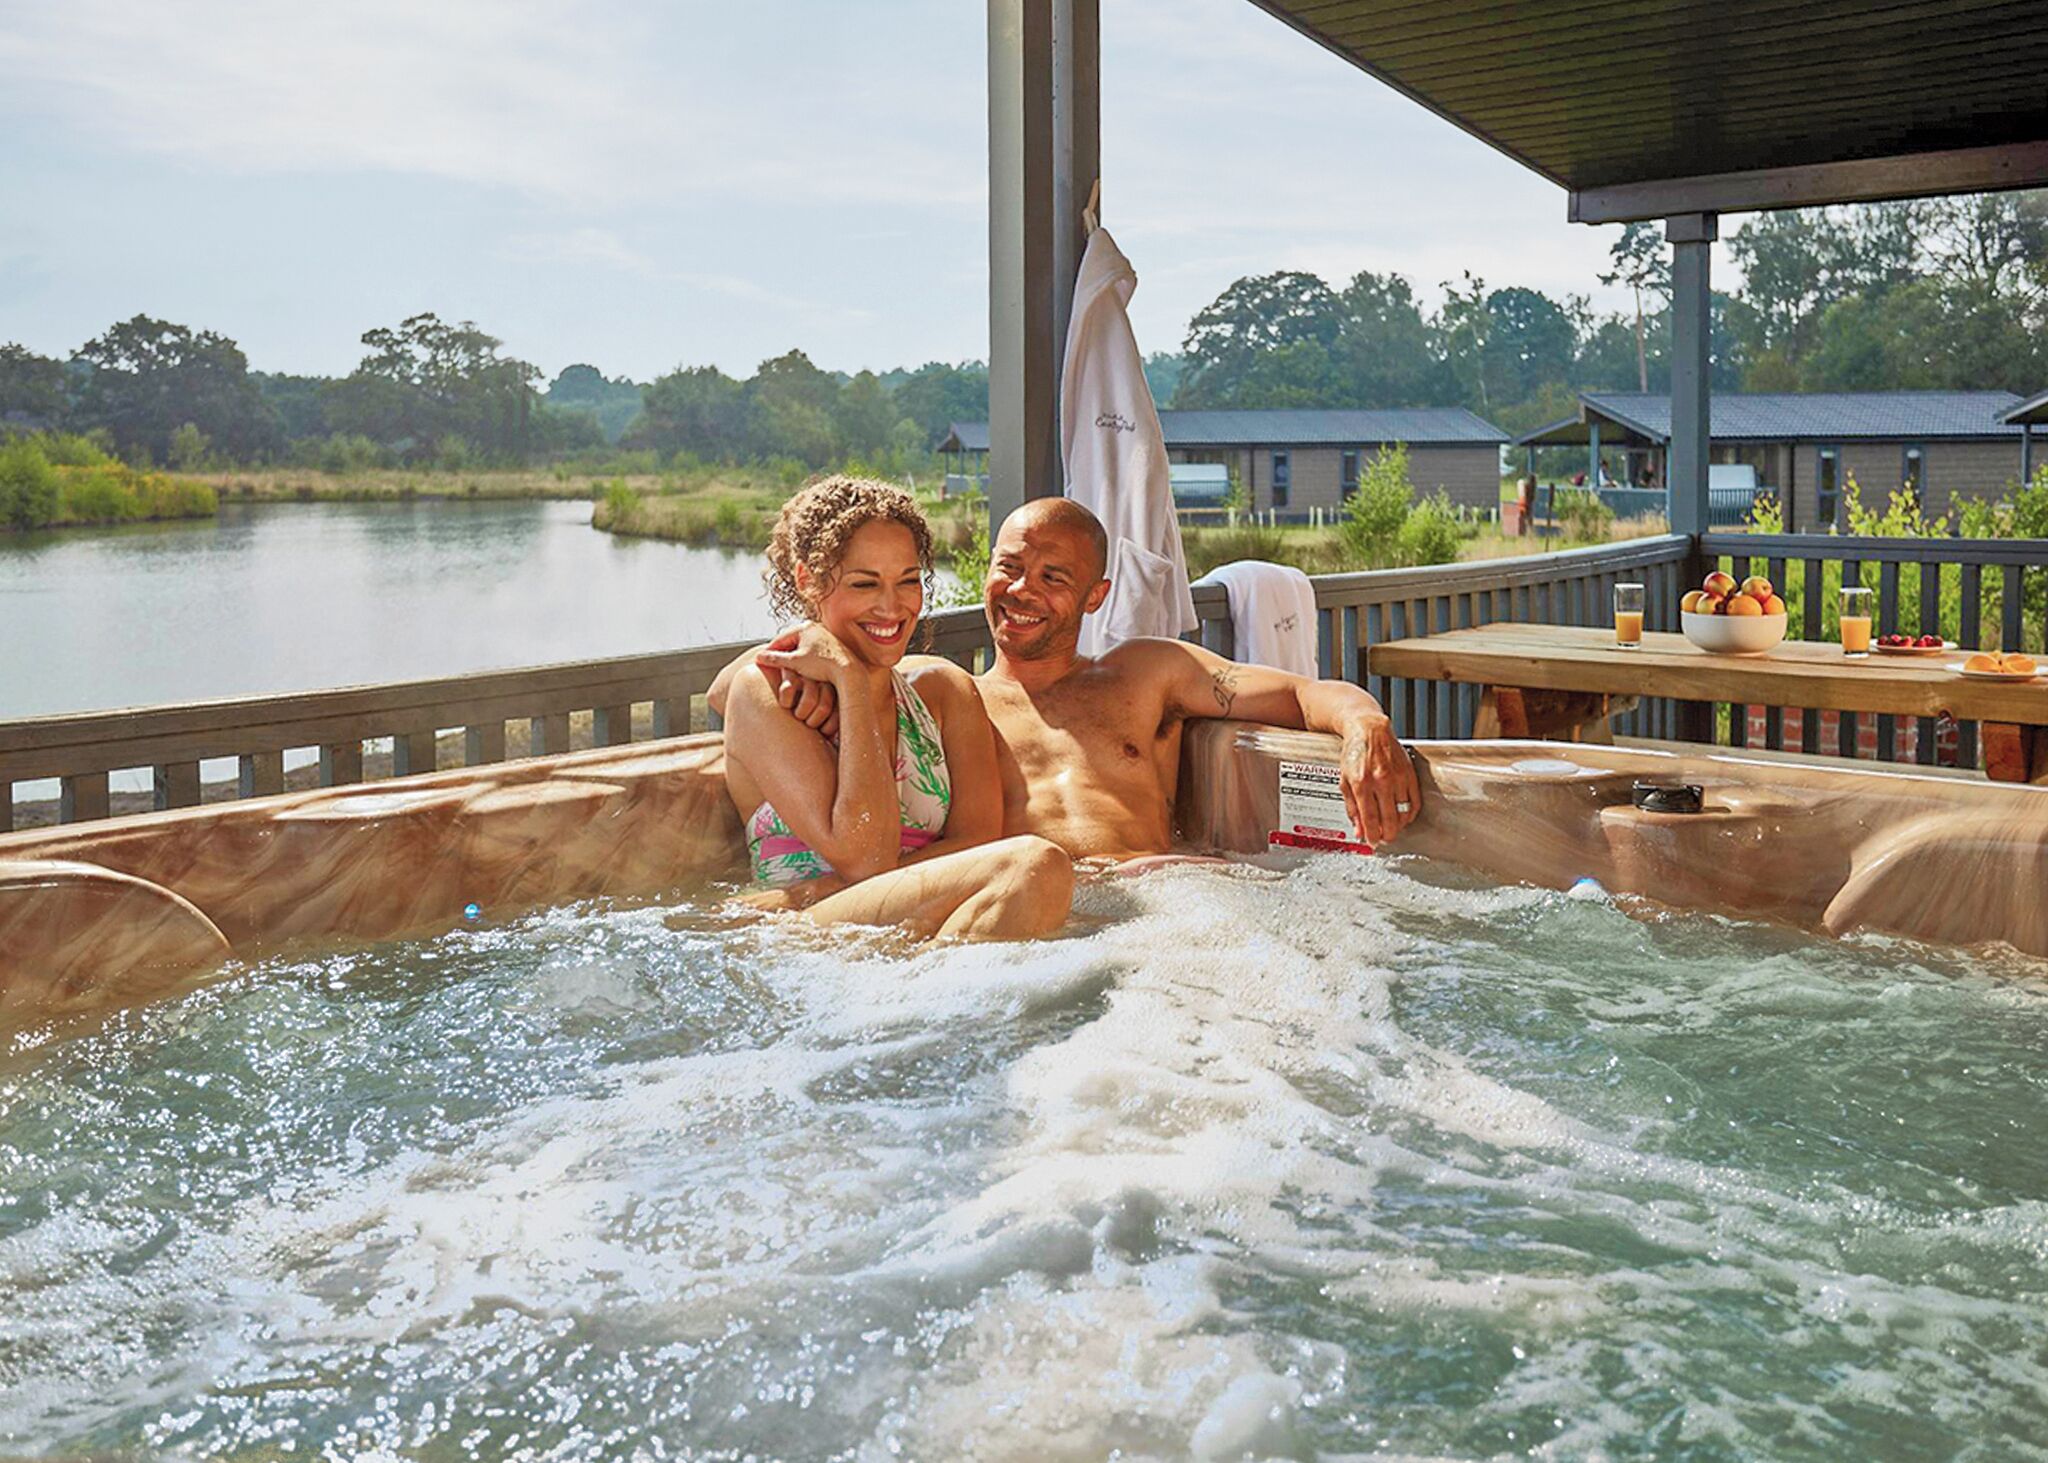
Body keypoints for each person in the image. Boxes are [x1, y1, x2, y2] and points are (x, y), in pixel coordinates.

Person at [713, 496, 1421, 863]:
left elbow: (1298, 693)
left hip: (1163, 905)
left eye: (1053, 577)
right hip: (1037, 925)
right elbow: (732, 690)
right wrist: (806, 647)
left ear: (1095, 595)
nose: (1022, 590)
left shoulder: (1147, 672)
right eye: (1009, 567)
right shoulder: (943, 697)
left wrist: (1364, 723)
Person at [719, 476, 1072, 940]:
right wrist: (847, 677)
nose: (892, 607)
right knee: (1036, 866)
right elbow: (865, 856)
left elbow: (980, 840)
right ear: (808, 580)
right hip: (804, 939)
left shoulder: (944, 692)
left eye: (908, 581)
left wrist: (826, 887)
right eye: (865, 584)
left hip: (882, 922)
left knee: (1039, 875)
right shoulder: (762, 695)